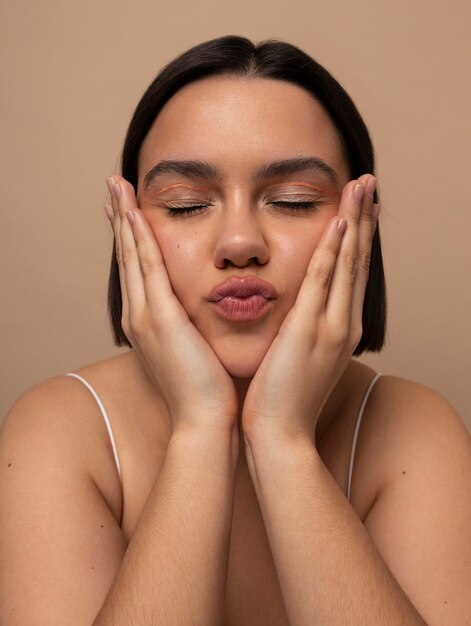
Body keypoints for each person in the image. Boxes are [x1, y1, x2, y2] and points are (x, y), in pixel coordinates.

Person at [0, 35, 470, 626]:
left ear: (360, 226)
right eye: (187, 204)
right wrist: (200, 428)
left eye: (295, 200)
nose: (240, 243)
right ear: (128, 227)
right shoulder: (61, 428)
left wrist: (282, 439)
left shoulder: (414, 429)